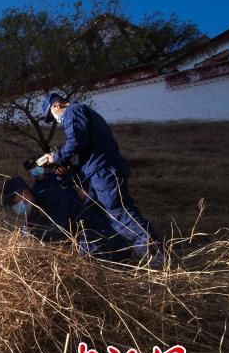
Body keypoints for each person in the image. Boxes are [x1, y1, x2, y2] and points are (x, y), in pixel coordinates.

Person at [39, 93, 164, 268]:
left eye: (52, 117)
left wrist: (56, 157)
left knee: (120, 212)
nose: (55, 121)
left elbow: (76, 142)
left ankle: (155, 256)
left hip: (103, 171)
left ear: (56, 106)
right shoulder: (84, 112)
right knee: (109, 214)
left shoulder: (73, 111)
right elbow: (85, 145)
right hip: (99, 170)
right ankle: (134, 252)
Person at [2, 175, 127, 259]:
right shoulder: (33, 212)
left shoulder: (54, 197)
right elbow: (30, 234)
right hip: (82, 248)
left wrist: (33, 236)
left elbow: (57, 232)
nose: (14, 207)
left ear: (24, 193)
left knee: (85, 247)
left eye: (14, 202)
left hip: (104, 244)